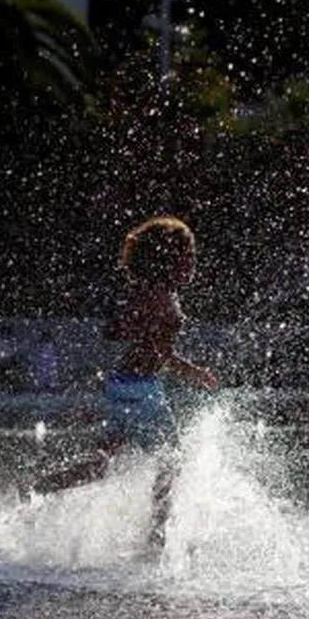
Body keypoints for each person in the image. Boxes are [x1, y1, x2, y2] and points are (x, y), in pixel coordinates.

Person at [102, 216, 217, 555]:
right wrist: (193, 372)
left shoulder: (153, 293)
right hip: (139, 387)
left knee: (102, 462)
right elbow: (155, 350)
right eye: (189, 253)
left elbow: (137, 339)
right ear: (170, 258)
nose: (193, 261)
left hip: (129, 383)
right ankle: (156, 536)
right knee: (173, 458)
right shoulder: (156, 297)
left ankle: (35, 490)